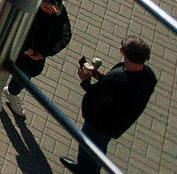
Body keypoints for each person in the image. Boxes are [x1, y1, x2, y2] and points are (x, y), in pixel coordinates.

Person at [63, 39, 156, 173]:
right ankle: (85, 168)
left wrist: (85, 82)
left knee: (89, 150)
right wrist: (100, 76)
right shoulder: (147, 75)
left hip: (99, 124)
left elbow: (102, 103)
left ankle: (85, 170)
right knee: (97, 151)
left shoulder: (121, 81)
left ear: (122, 51)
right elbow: (111, 90)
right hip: (113, 126)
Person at [2, 0, 71, 115]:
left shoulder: (60, 13)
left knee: (27, 75)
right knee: (3, 69)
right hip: (17, 47)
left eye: (53, 10)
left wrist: (45, 53)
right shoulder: (30, 6)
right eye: (45, 8)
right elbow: (15, 26)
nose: (50, 12)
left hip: (37, 52)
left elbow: (65, 36)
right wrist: (25, 48)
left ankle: (11, 92)